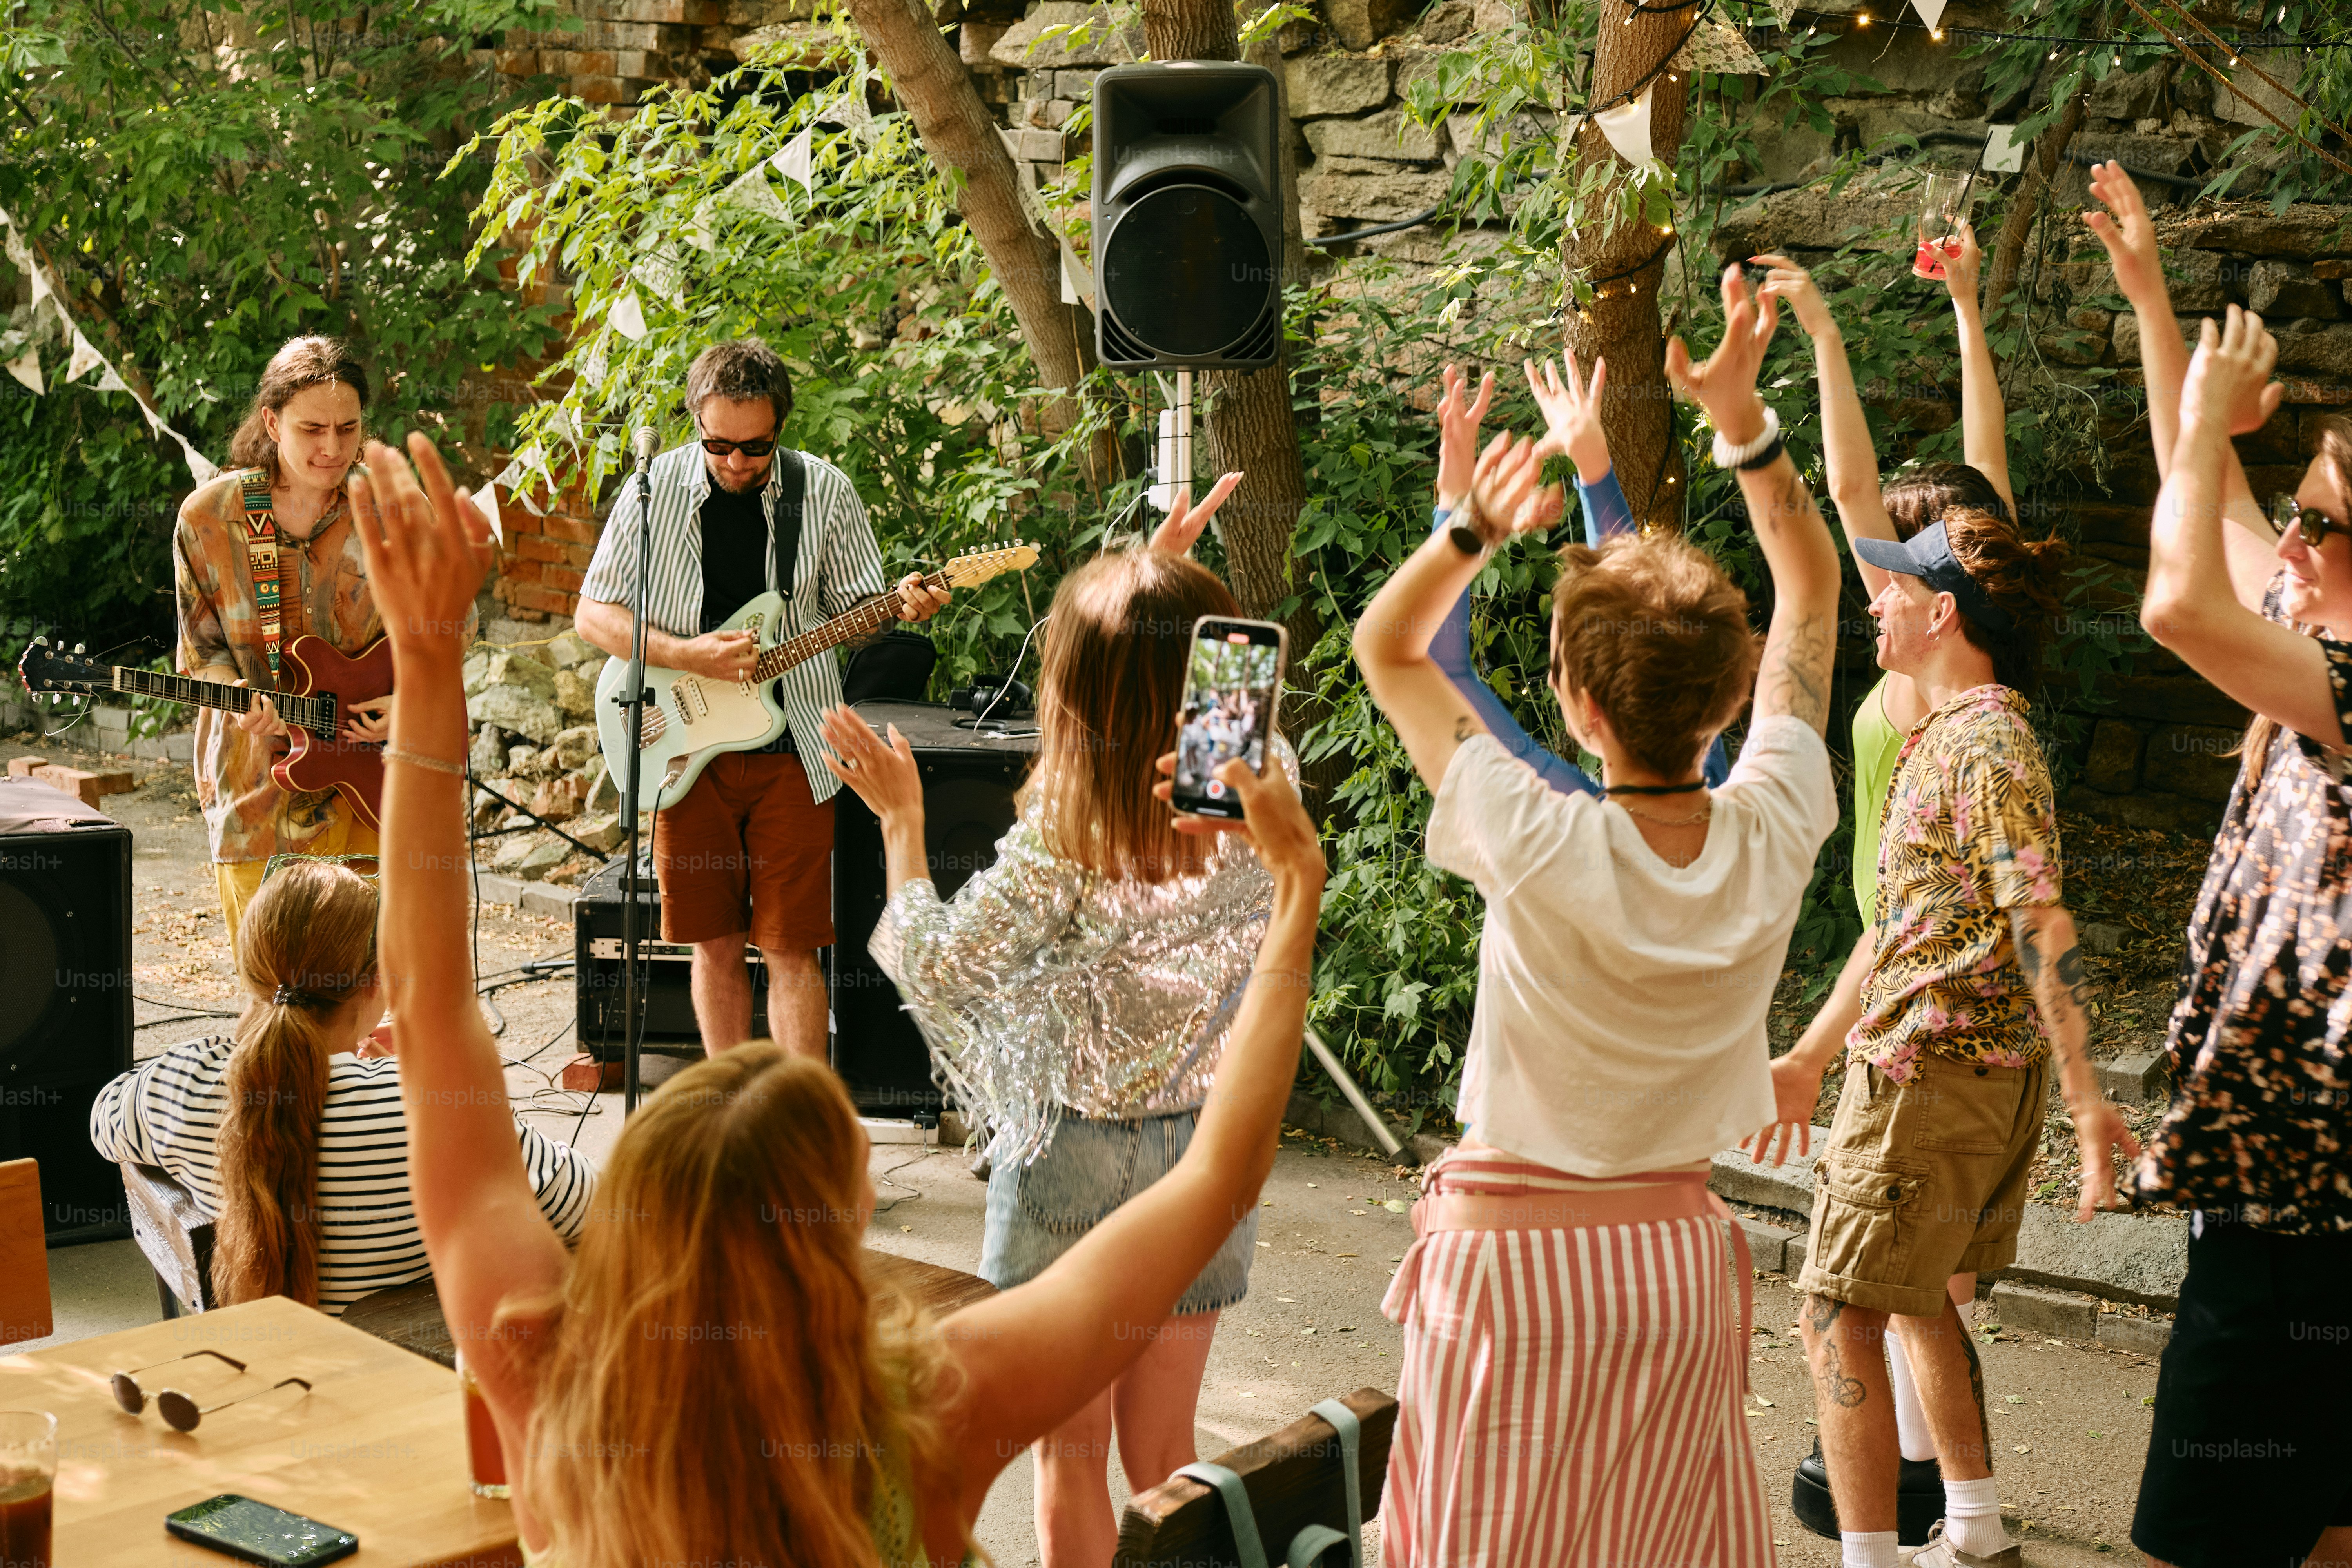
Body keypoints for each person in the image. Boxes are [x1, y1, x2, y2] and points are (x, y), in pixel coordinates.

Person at [346, 431, 1324, 1568]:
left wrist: (425, 659)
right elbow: (1221, 1174)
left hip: (1072, 1150)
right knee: (1158, 1445)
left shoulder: (545, 1383)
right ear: (851, 1217)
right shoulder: (933, 1417)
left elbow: (426, 1011)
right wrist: (1294, 890)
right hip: (1170, 1117)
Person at [1354, 265, 1844, 1566]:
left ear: (1572, 707)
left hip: (1513, 1279)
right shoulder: (1779, 813)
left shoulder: (1534, 829)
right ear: (1735, 697)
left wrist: (1466, 530)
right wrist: (1747, 425)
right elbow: (1815, 586)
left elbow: (1388, 651)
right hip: (1679, 1271)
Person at [819, 481, 1280, 1568]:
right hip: (1204, 1158)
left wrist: (901, 824)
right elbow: (1200, 702)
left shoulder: (1058, 840)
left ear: (1074, 690)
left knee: (1066, 1458)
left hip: (1071, 1152)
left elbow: (936, 965)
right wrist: (1162, 597)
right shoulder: (1265, 793)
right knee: (1164, 1449)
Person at [2083, 161, 2352, 1568]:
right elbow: (2212, 516)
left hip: (2300, 1215)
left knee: (2199, 1536)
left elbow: (2176, 593)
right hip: (2291, 1202)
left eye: (2325, 527)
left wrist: (2199, 425)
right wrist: (2150, 307)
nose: (2290, 544)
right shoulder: (2317, 653)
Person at [1749, 229, 2025, 1545]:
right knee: (1918, 1286)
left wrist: (1834, 333)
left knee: (1886, 1287)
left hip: (1915, 978)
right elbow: (1897, 486)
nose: (1880, 552)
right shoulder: (1914, 630)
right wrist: (1910, 318)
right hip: (1906, 961)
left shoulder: (1940, 657)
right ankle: (1941, 1500)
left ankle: (1918, 1503)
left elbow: (1956, 487)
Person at [572, 337, 950, 1060]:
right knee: (712, 946)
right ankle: (726, 1114)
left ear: (781, 428)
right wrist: (687, 654)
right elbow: (594, 615)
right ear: (694, 424)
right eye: (719, 446)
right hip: (687, 754)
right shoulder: (653, 490)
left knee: (791, 947)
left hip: (796, 752)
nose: (737, 464)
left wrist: (899, 608)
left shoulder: (825, 491)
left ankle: (798, 1124)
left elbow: (859, 611)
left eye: (756, 448)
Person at [88, 859, 596, 1315]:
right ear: (378, 980)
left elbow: (106, 1117)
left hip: (271, 1385)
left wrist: (250, 1043)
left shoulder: (186, 1084)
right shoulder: (435, 1108)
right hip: (413, 1388)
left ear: (251, 970)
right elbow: (588, 1206)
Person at [176, 336, 407, 942]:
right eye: (312, 430)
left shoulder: (395, 508)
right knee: (273, 983)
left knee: (366, 983)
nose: (333, 448)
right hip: (255, 789)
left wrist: (410, 704)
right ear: (272, 422)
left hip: (375, 781)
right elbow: (203, 654)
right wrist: (241, 698)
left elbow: (446, 631)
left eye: (348, 428)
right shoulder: (208, 518)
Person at [1425, 356, 1733, 796]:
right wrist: (1594, 468)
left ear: (1592, 710)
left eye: (1559, 667)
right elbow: (1637, 599)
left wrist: (1457, 505)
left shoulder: (1580, 826)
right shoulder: (1737, 804)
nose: (1551, 680)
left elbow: (1444, 672)